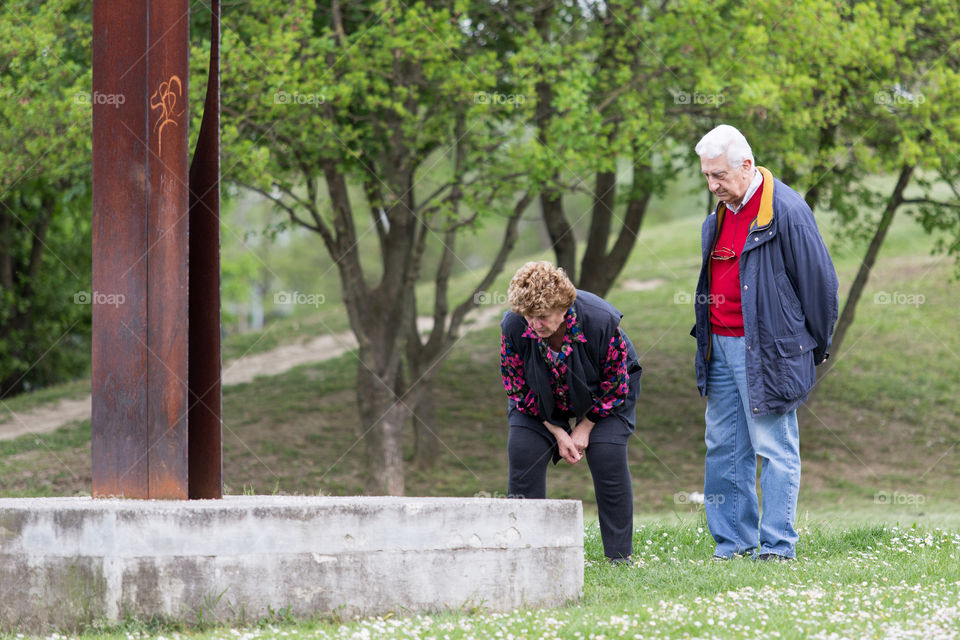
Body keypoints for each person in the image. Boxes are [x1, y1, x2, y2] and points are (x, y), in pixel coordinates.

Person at [691, 124, 839, 561]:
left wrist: (811, 347)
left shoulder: (788, 210)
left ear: (747, 166)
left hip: (770, 352)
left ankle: (777, 547)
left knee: (774, 447)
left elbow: (821, 287)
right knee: (723, 447)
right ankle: (733, 544)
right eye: (707, 176)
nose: (712, 185)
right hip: (718, 347)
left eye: (719, 175)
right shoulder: (717, 216)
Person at [500, 261, 642, 563]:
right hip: (538, 399)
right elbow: (516, 386)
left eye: (542, 317)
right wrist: (556, 429)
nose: (534, 325)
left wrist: (585, 427)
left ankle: (619, 556)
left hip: (605, 395)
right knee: (523, 452)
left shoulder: (600, 320)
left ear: (563, 307)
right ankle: (527, 551)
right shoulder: (513, 326)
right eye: (528, 317)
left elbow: (616, 384)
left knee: (607, 455)